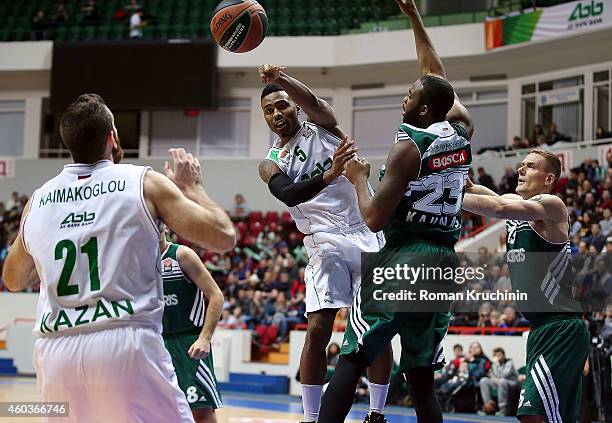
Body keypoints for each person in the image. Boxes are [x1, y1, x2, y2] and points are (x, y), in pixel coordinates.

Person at [1, 94, 236, 422]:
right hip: (125, 343)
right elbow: (224, 236)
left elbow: (13, 280)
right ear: (112, 137)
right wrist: (193, 188)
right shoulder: (142, 182)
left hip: (56, 352)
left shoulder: (37, 201)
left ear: (69, 144)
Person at [318, 1, 474, 421]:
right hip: (443, 261)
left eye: (410, 95)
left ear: (423, 110)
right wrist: (414, 19)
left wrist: (357, 176)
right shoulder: (461, 131)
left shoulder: (408, 148)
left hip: (405, 255)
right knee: (422, 376)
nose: (404, 96)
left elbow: (372, 218)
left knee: (352, 357)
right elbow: (436, 75)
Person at [257, 66, 392, 423]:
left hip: (365, 230)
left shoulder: (324, 125)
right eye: (268, 110)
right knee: (319, 327)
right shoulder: (271, 163)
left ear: (296, 108)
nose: (276, 114)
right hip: (323, 240)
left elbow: (315, 102)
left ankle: (376, 412)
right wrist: (328, 174)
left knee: (375, 327)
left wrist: (281, 78)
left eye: (282, 105)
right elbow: (287, 193)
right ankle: (311, 417)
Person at [463, 148, 589, 422]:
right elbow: (491, 196)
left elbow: (498, 207)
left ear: (548, 179)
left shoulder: (552, 206)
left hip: (561, 328)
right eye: (521, 165)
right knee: (552, 416)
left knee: (531, 413)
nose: (521, 169)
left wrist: (443, 195)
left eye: (530, 166)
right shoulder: (519, 207)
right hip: (540, 329)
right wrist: (458, 179)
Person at [160, 226, 224, 422]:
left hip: (188, 344)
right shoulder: (137, 260)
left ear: (163, 226)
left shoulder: (182, 255)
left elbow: (216, 296)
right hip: (155, 343)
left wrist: (204, 338)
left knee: (200, 411)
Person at [479, 347, 520, 416]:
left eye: (500, 355)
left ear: (504, 355)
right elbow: (492, 374)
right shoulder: (495, 364)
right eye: (496, 355)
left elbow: (504, 374)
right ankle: (489, 406)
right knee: (484, 380)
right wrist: (493, 378)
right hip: (500, 382)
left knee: (502, 381)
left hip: (512, 382)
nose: (498, 357)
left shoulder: (509, 362)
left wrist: (496, 365)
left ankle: (503, 409)